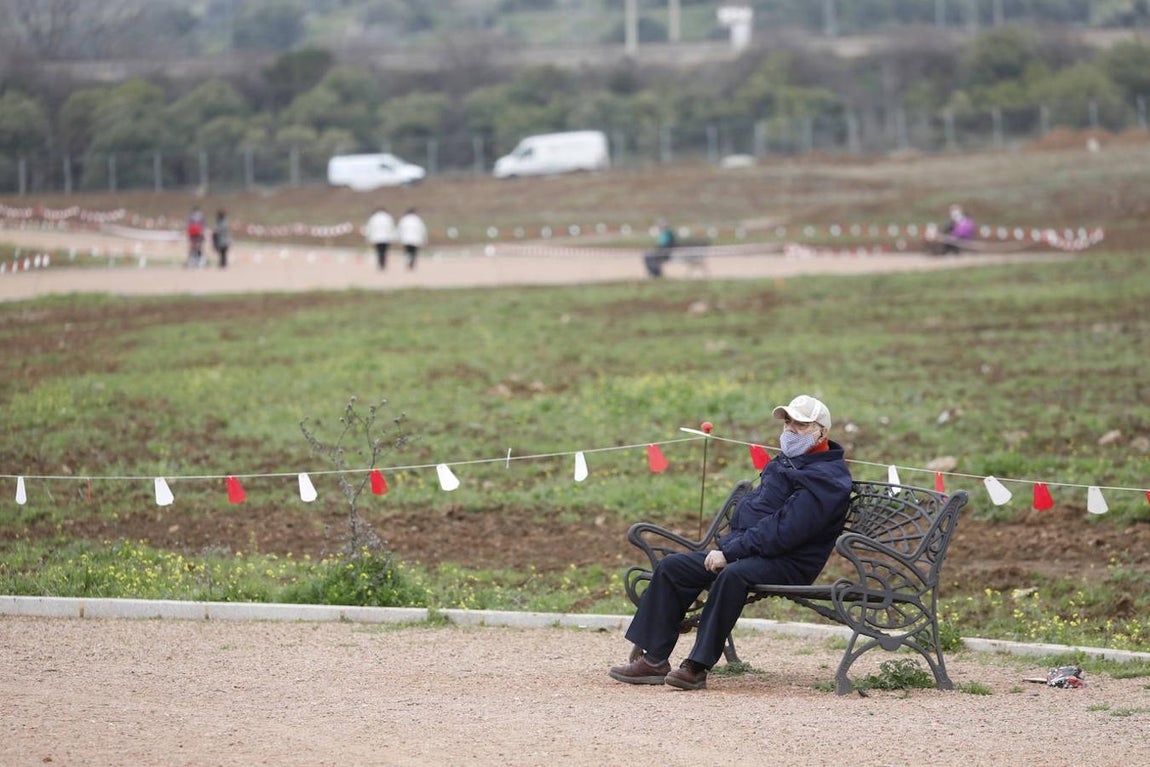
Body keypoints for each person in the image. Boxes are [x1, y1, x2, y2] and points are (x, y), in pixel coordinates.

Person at [608, 394, 853, 691]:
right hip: (752, 552)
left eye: (801, 424)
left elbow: (785, 531)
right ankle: (654, 660)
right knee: (674, 567)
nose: (790, 430)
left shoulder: (829, 479)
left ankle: (697, 666)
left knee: (732, 574)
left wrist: (730, 552)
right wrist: (729, 548)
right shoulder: (788, 463)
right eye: (787, 422)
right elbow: (757, 515)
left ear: (822, 432)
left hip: (790, 562)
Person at [365, 206, 396, 270]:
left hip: (376, 237)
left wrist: (368, 237)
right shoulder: (388, 217)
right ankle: (383, 264)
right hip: (386, 237)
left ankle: (380, 263)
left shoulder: (374, 217)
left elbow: (370, 228)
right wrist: (393, 237)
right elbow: (392, 228)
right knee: (384, 251)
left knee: (379, 251)